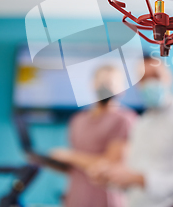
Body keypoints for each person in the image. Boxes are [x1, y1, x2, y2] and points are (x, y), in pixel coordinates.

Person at [91, 55, 173, 207]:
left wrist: (139, 179)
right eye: (143, 79)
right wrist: (112, 177)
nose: (149, 83)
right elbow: (133, 175)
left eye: (155, 76)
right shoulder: (141, 124)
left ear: (169, 77)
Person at [50, 65, 137, 207]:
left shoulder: (124, 120)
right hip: (76, 197)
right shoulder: (78, 120)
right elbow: (75, 167)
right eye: (102, 82)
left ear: (121, 89)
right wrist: (55, 160)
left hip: (106, 199)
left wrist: (69, 156)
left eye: (111, 84)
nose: (106, 87)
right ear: (92, 84)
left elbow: (110, 164)